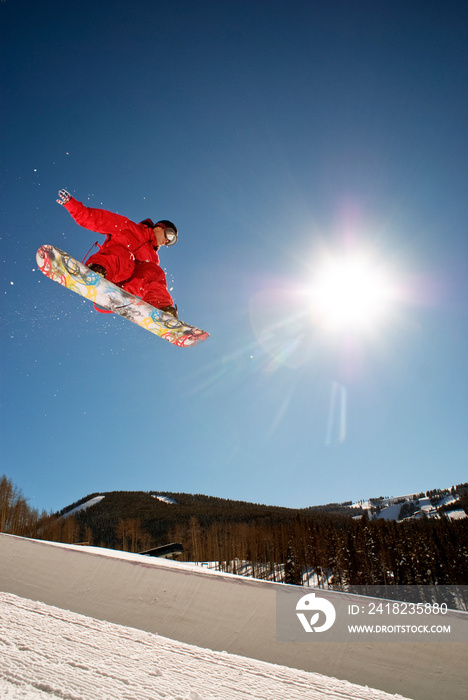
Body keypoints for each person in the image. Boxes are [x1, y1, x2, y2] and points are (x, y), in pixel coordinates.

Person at [56, 189, 179, 317]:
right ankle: (95, 275)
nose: (167, 241)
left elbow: (149, 283)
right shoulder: (128, 227)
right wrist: (71, 205)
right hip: (108, 271)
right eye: (169, 235)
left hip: (121, 292)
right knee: (124, 254)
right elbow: (97, 219)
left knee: (155, 272)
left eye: (171, 241)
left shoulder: (153, 259)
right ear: (159, 227)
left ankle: (161, 309)